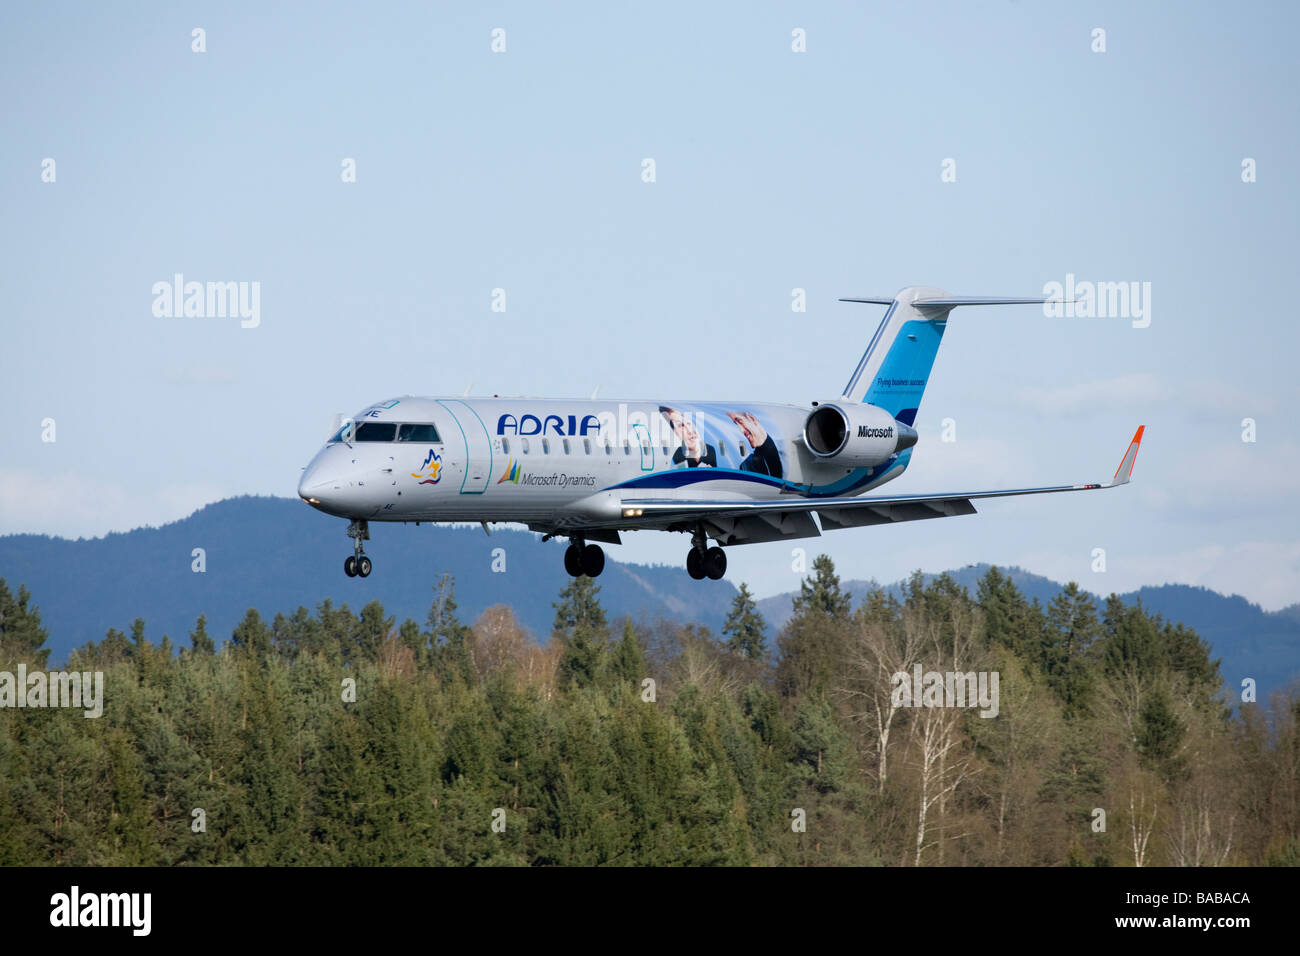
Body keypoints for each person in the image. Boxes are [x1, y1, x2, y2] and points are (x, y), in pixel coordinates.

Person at [728, 410, 783, 478]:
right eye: (736, 424)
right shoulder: (746, 466)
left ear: (752, 418)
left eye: (740, 421)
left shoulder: (785, 451)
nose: (741, 430)